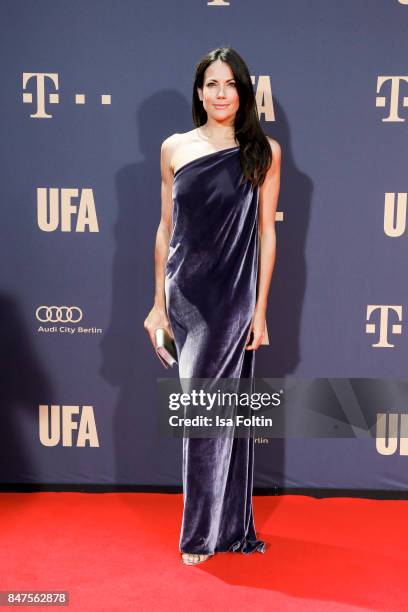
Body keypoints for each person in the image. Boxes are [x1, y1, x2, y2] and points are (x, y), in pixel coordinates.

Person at [144, 46, 281, 565]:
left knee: (206, 414)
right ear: (199, 91)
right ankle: (225, 528)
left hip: (229, 299)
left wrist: (260, 308)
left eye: (230, 84)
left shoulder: (262, 150)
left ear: (243, 91)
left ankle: (201, 535)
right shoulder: (173, 147)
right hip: (183, 295)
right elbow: (164, 227)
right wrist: (156, 304)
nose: (221, 94)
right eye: (211, 84)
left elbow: (267, 234)